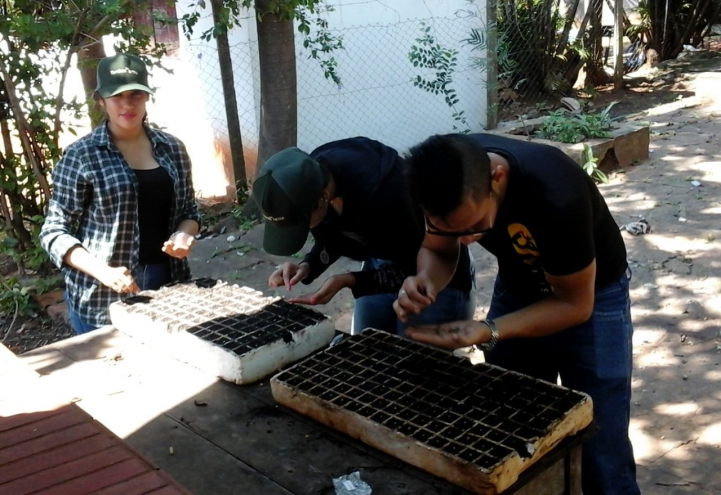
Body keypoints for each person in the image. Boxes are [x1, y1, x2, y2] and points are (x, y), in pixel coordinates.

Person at [394, 133, 640, 495]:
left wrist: (488, 329)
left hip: (593, 296)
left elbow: (574, 304)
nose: (465, 241)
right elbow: (438, 249)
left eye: (473, 227)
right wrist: (426, 280)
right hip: (519, 283)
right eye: (453, 230)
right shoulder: (437, 180)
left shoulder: (556, 191)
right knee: (511, 425)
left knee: (600, 442)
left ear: (497, 177)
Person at [40, 53, 200, 334]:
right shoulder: (81, 156)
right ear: (101, 99)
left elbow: (189, 212)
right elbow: (54, 232)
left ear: (147, 97)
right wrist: (103, 271)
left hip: (169, 281)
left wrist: (185, 234)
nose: (127, 104)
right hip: (102, 296)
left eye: (136, 94)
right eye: (117, 96)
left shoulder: (173, 148)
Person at [252, 137, 475, 335]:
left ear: (324, 197)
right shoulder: (310, 176)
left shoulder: (390, 196)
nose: (301, 230)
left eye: (300, 223)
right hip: (380, 258)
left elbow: (423, 264)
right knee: (367, 351)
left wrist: (349, 280)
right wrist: (308, 265)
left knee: (415, 365)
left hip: (435, 273)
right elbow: (332, 234)